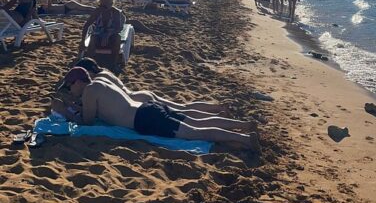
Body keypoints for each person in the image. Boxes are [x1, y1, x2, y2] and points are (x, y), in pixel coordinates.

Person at [55, 67, 257, 148]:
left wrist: (66, 112)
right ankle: (245, 125)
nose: (70, 91)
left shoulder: (89, 91)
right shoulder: (99, 83)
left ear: (77, 82)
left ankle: (246, 138)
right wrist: (76, 106)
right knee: (196, 121)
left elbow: (88, 123)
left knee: (196, 132)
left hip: (144, 119)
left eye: (69, 86)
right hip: (146, 108)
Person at [60, 57, 227, 116]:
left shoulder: (99, 79)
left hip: (137, 100)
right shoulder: (106, 72)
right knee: (182, 107)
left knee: (181, 111)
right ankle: (217, 108)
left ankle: (216, 112)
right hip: (141, 95)